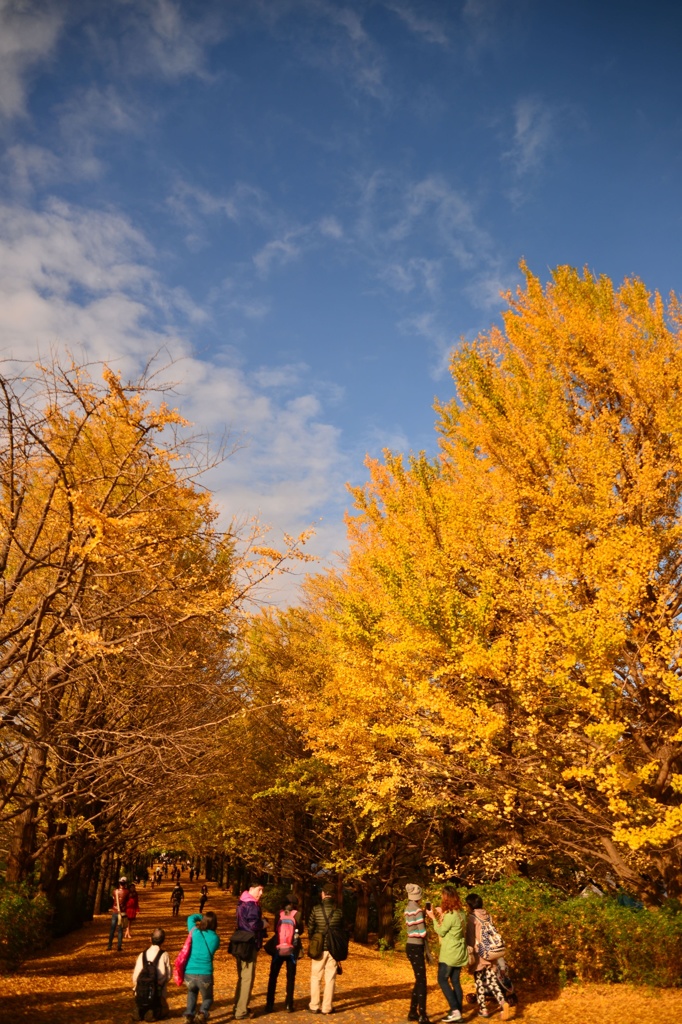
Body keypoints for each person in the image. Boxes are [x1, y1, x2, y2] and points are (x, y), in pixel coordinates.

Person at [465, 894, 510, 1021]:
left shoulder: (472, 918)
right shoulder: (488, 916)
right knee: (492, 981)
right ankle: (502, 1003)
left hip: (480, 955)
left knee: (479, 982)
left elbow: (470, 939)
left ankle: (483, 1009)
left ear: (470, 905)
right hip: (491, 954)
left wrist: (470, 956)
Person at [426, 886, 468, 1023]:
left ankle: (455, 1010)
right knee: (455, 981)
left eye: (443, 896)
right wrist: (442, 913)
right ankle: (458, 1011)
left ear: (446, 898)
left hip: (450, 952)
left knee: (442, 980)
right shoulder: (461, 913)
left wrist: (433, 917)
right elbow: (453, 927)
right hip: (460, 951)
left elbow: (441, 931)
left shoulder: (450, 915)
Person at [307, 884, 345, 1015]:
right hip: (333, 949)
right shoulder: (339, 911)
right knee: (330, 978)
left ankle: (314, 1005)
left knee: (315, 977)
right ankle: (327, 1007)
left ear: (323, 894)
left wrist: (313, 939)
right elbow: (343, 931)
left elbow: (310, 927)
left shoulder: (316, 909)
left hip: (319, 948)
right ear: (333, 895)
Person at [233, 881, 266, 1020]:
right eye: (259, 890)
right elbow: (253, 924)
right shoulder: (251, 904)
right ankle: (241, 1011)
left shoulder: (242, 902)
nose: (261, 893)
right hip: (249, 944)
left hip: (240, 942)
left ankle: (238, 1005)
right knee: (247, 978)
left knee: (242, 977)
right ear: (251, 889)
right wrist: (263, 923)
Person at [265, 897, 303, 1013]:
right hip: (292, 949)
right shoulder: (298, 914)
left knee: (273, 977)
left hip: (278, 948)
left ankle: (269, 1004)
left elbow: (275, 930)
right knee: (290, 978)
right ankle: (288, 1005)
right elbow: (300, 930)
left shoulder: (279, 913)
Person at [184, 910, 220, 1024]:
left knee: (192, 992)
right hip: (205, 974)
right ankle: (202, 1013)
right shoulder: (215, 938)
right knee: (208, 998)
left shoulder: (195, 932)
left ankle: (189, 1015)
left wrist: (201, 916)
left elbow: (190, 918)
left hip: (189, 972)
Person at [132, 926, 171, 1021]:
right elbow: (168, 975)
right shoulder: (164, 955)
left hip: (140, 991)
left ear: (150, 939)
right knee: (165, 1009)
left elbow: (135, 976)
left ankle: (141, 1009)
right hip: (156, 991)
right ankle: (155, 1010)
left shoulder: (142, 954)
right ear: (163, 941)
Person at [404, 883, 429, 1024]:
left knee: (418, 980)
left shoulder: (408, 908)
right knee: (422, 981)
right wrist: (425, 919)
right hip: (417, 946)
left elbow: (411, 927)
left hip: (409, 945)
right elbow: (422, 932)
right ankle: (422, 1014)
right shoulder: (418, 910)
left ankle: (413, 1011)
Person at [107, 877, 130, 951]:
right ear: (125, 884)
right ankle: (119, 946)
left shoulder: (114, 891)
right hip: (122, 912)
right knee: (120, 930)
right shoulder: (127, 892)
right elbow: (127, 900)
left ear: (119, 883)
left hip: (115, 911)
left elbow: (113, 899)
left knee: (112, 929)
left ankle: (109, 945)